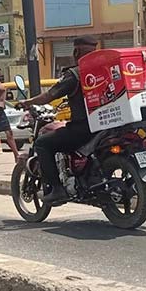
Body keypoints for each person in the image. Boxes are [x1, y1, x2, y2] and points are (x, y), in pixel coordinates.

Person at [19, 36, 98, 204]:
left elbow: (49, 95)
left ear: (76, 52)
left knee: (42, 143)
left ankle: (57, 189)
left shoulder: (74, 74)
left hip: (82, 130)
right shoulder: (102, 69)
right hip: (105, 126)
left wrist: (28, 102)